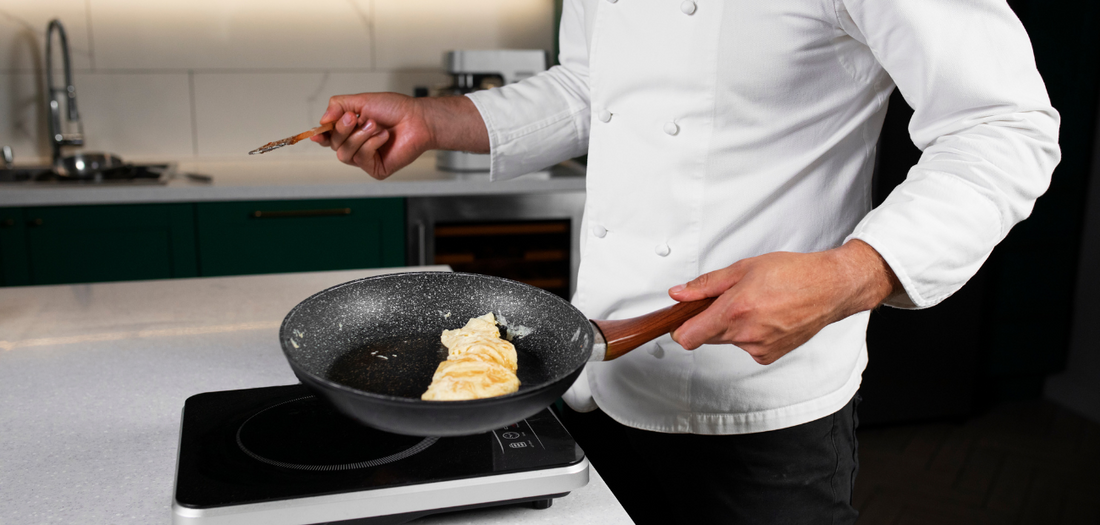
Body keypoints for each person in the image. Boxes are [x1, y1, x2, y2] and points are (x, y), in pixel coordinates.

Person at [312, 0, 1060, 522]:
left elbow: (1004, 126)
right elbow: (590, 85)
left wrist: (850, 274)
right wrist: (437, 119)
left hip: (760, 416)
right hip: (599, 380)